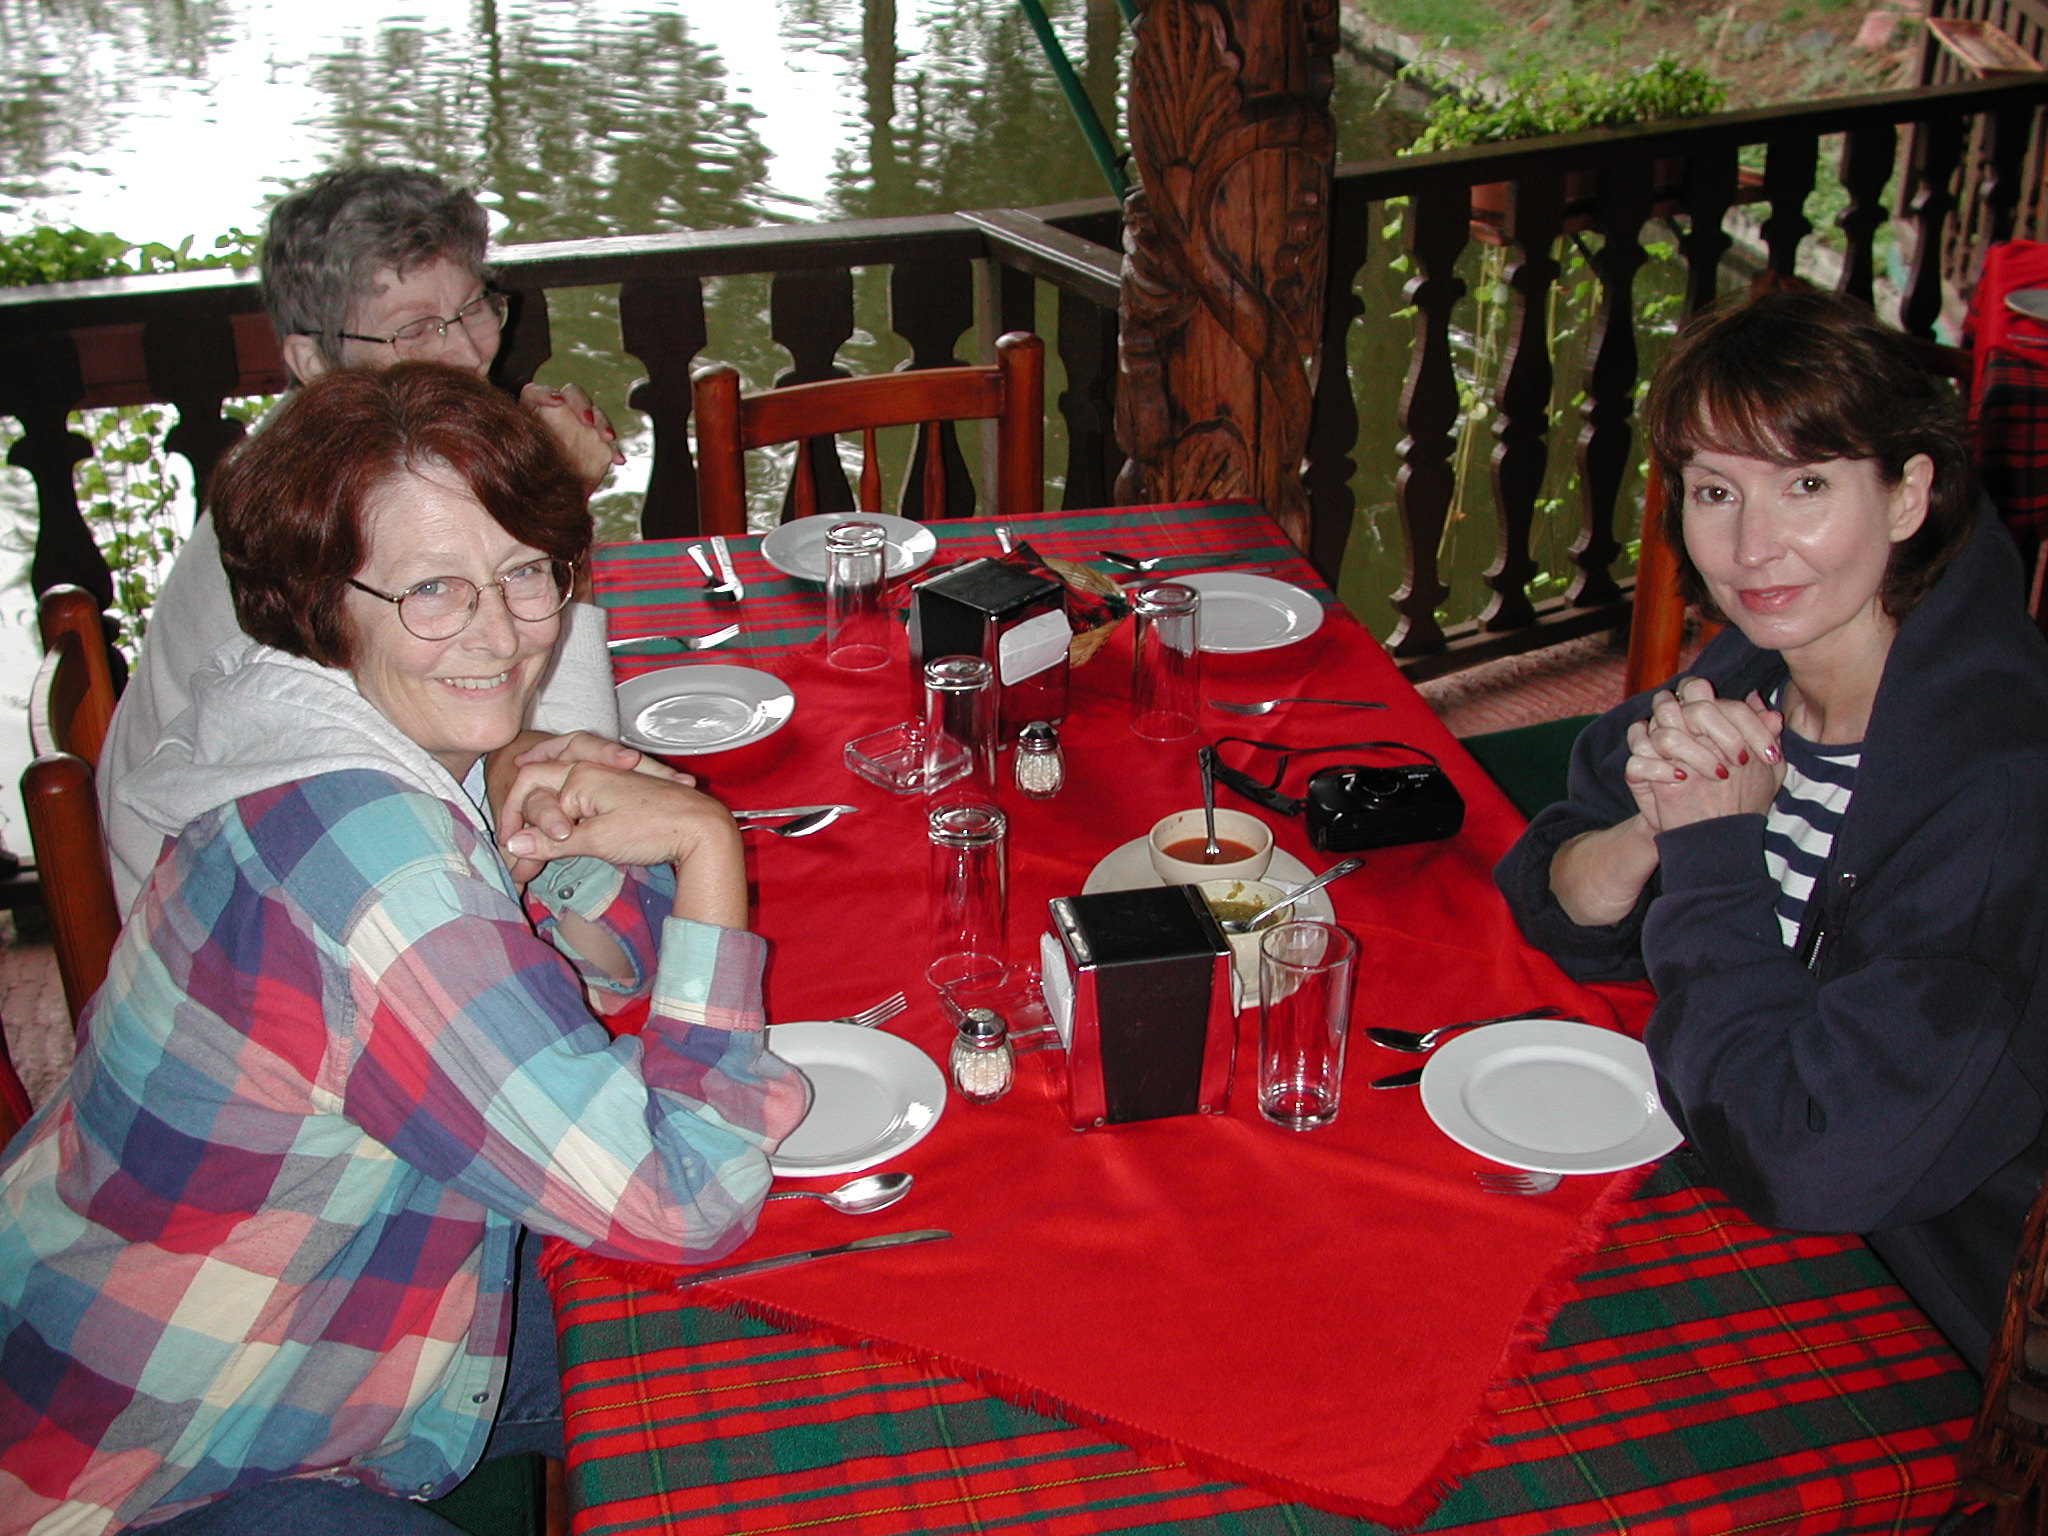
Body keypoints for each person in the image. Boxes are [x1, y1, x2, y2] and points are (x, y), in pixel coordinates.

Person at [0, 364, 808, 1534]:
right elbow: (685, 1197)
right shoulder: (373, 864)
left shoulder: (302, 721)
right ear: (327, 598)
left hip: (246, 1299)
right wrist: (708, 853)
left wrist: (545, 844)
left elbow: (583, 969)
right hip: (153, 1454)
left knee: (737, 1358)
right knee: (727, 1352)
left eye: (526, 574)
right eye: (434, 589)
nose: (500, 634)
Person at [1495, 288, 2048, 1374]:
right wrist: (1644, 840)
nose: (1753, 547)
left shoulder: (1992, 791)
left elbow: (1809, 1157)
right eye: (1714, 490)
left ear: (1905, 496)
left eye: (1804, 484)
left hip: (1917, 1304)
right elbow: (1539, 884)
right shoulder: (1756, 668)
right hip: (1725, 1141)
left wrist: (1708, 854)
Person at [99, 165, 628, 911]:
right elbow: (568, 766)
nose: (469, 351)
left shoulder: (353, 457)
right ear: (312, 361)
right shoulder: (311, 516)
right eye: (414, 328)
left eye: (475, 306)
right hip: (220, 893)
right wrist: (551, 506)